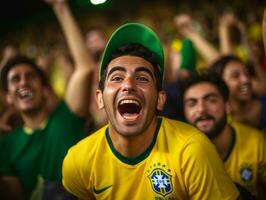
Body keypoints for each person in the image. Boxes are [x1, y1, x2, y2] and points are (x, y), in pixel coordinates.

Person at [62, 22, 240, 199]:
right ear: (100, 98)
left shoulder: (193, 149)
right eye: (117, 77)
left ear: (160, 100)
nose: (128, 85)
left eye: (142, 78)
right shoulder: (78, 162)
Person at [0, 6, 95, 198]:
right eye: (15, 79)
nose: (24, 82)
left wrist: (61, 7)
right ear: (8, 97)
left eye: (30, 76)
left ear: (44, 90)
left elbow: (85, 67)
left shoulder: (67, 116)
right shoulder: (6, 145)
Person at [182, 71, 266, 199]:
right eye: (192, 103)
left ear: (227, 106)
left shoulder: (257, 142)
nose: (201, 109)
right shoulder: (179, 153)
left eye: (211, 100)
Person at [209, 55, 266, 131]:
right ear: (220, 84)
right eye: (235, 76)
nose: (246, 80)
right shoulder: (217, 120)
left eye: (247, 73)